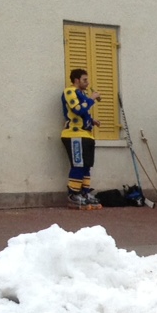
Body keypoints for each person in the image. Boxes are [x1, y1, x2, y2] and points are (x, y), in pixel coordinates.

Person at [60, 68, 100, 209]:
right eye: (84, 80)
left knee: (87, 165)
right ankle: (73, 194)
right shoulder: (69, 91)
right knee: (78, 164)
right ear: (76, 80)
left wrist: (92, 121)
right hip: (74, 134)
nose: (87, 82)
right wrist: (92, 99)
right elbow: (77, 110)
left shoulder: (82, 94)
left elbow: (83, 114)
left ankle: (85, 192)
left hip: (86, 134)